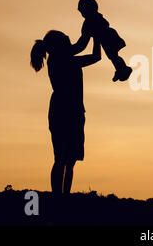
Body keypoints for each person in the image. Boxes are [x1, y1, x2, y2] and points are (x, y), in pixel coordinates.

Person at [30, 30, 101, 195]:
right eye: (65, 38)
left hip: (69, 110)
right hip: (66, 111)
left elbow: (85, 48)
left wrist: (91, 33)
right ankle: (59, 198)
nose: (69, 39)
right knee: (63, 159)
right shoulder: (62, 60)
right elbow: (92, 54)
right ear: (59, 45)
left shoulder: (63, 57)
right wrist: (94, 34)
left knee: (68, 160)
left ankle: (63, 198)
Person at [73, 0, 133, 82]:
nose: (82, 14)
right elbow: (82, 42)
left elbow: (82, 43)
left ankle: (122, 69)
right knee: (113, 56)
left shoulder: (91, 21)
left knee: (113, 56)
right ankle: (121, 69)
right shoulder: (93, 19)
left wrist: (69, 50)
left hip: (108, 37)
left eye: (82, 11)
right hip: (107, 37)